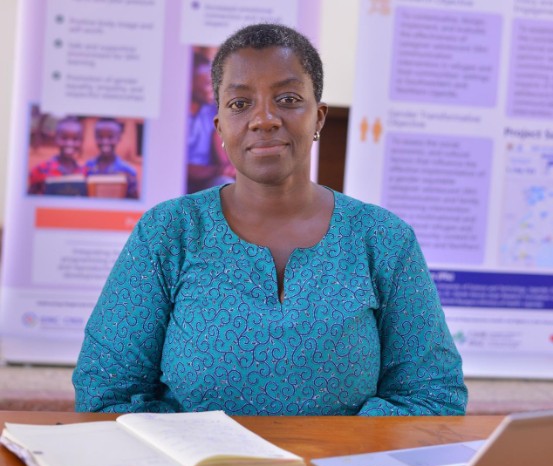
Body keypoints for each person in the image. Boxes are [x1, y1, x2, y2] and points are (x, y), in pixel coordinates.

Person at [73, 23, 468, 416]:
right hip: (192, 459)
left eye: (288, 99)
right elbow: (106, 391)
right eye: (239, 104)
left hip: (339, 459)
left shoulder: (382, 239)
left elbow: (434, 396)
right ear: (220, 125)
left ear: (318, 117)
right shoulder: (169, 232)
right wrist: (196, 445)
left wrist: (337, 445)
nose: (264, 119)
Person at [186, 51, 235, 193]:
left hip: (206, 182)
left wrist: (229, 168)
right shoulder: (175, 117)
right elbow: (179, 168)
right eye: (208, 83)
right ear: (189, 84)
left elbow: (223, 159)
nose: (214, 89)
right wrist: (217, 171)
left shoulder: (212, 111)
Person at [28, 116, 86, 195]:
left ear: (81, 141)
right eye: (64, 138)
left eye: (75, 139)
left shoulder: (83, 172)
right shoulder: (41, 170)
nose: (69, 143)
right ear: (56, 139)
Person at [85, 118, 139, 199]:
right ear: (95, 137)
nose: (105, 142)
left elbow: (134, 200)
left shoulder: (128, 171)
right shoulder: (88, 167)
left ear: (119, 138)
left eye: (110, 137)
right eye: (100, 137)